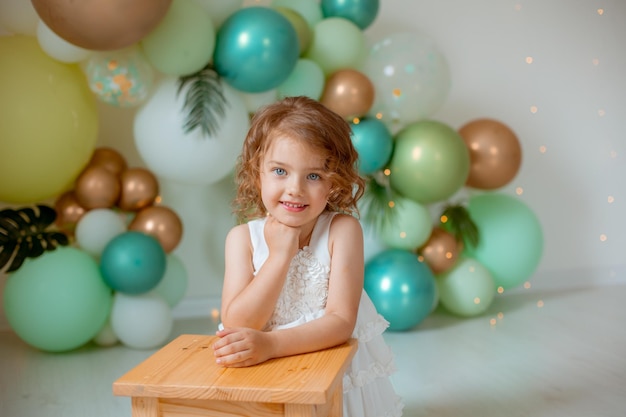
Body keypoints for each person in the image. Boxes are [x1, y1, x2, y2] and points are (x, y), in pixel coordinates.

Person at [213, 96, 404, 416]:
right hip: (265, 374)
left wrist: (271, 344)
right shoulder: (242, 239)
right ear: (256, 171)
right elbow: (237, 323)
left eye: (313, 176)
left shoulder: (342, 231)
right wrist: (279, 256)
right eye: (279, 171)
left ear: (334, 182)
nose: (295, 189)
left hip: (331, 374)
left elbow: (341, 322)